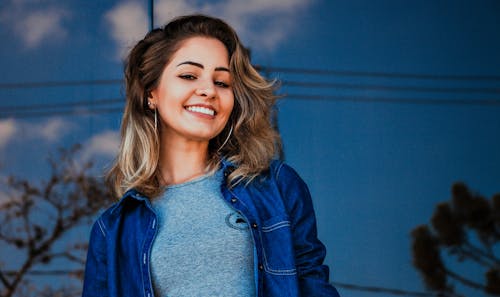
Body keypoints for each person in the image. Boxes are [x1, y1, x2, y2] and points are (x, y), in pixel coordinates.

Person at [82, 14, 340, 297]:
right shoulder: (113, 231)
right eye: (189, 75)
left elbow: (313, 284)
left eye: (222, 82)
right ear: (150, 93)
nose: (208, 90)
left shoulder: (276, 186)